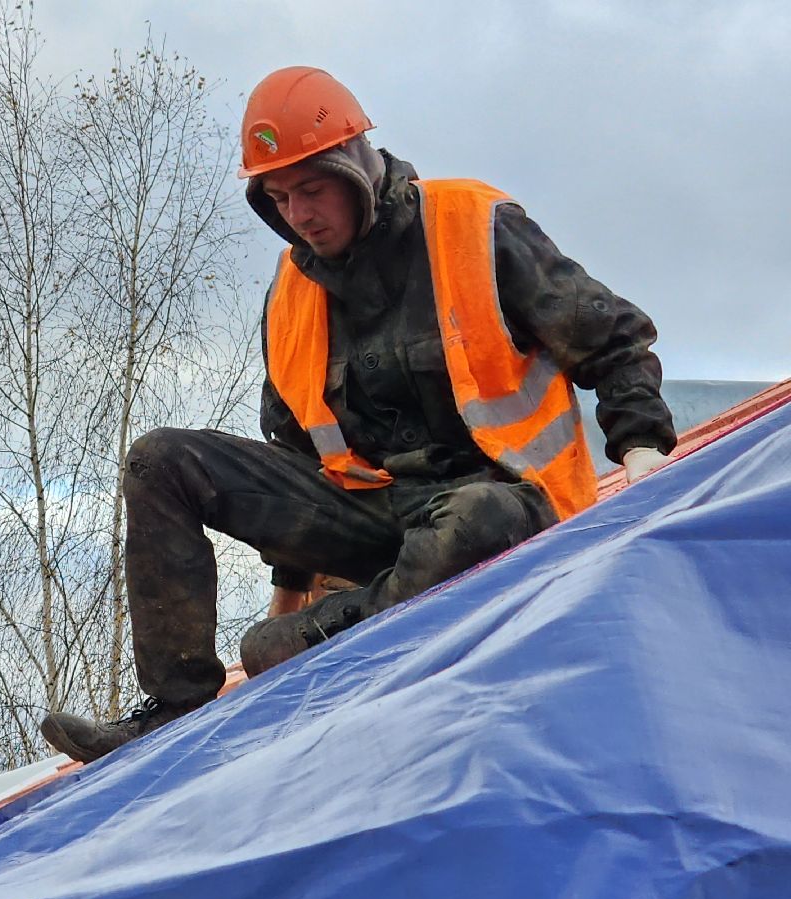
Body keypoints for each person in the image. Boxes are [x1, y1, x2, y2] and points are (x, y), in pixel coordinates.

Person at [41, 66, 676, 764]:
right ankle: (173, 707)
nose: (299, 213)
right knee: (161, 458)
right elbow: (293, 461)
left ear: (358, 170)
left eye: (313, 189)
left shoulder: (473, 223)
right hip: (379, 519)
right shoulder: (291, 293)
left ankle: (325, 639)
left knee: (471, 516)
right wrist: (287, 600)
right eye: (279, 197)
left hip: (510, 508)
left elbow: (615, 337)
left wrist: (642, 448)